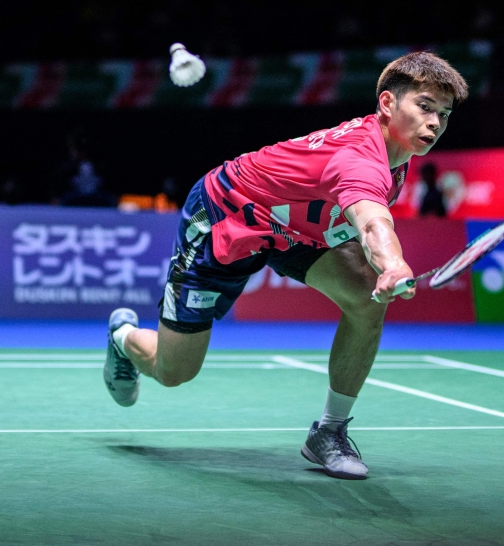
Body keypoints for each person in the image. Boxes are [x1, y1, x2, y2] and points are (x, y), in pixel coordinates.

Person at [103, 52, 468, 480]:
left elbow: (358, 222)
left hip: (292, 228)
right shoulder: (360, 160)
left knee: (366, 297)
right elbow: (372, 222)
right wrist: (392, 262)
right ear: (387, 103)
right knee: (174, 371)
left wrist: (381, 268)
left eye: (444, 114)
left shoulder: (397, 156)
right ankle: (123, 338)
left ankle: (329, 432)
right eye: (424, 107)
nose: (435, 123)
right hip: (227, 214)